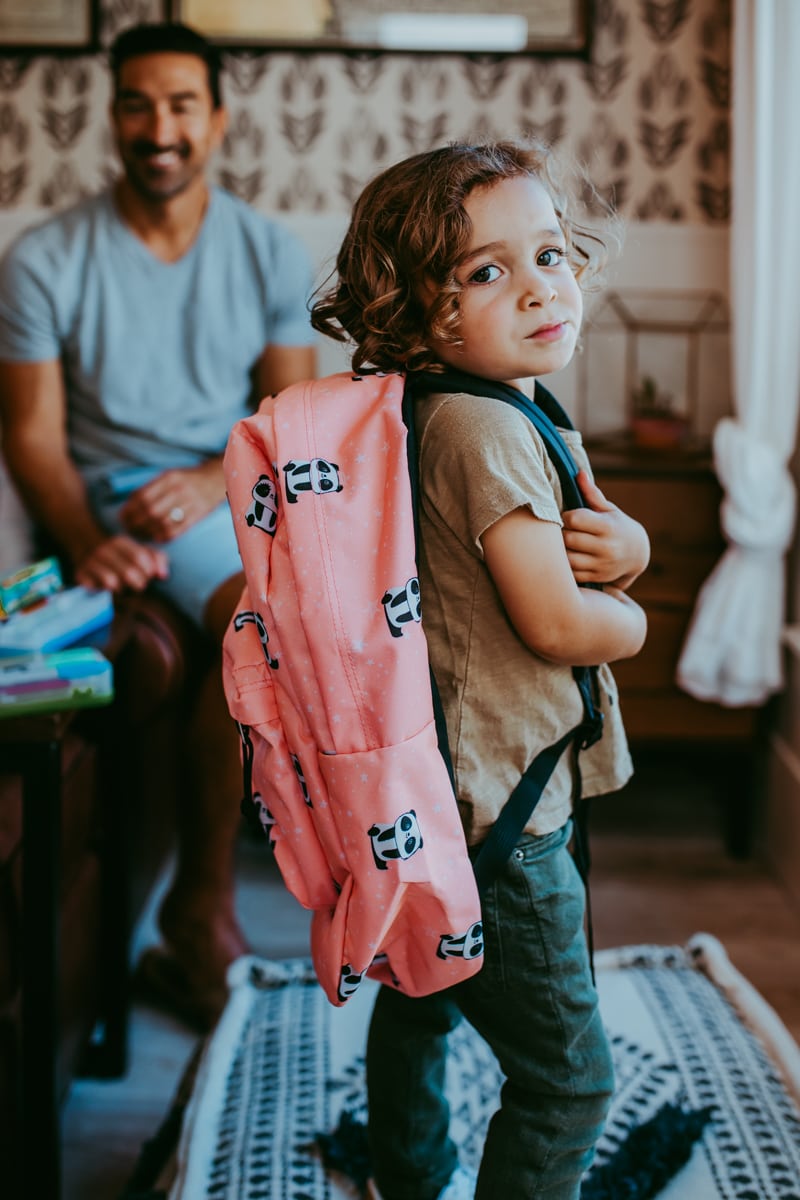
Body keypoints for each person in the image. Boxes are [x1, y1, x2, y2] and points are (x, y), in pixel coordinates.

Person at [310, 141, 649, 1200]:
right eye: (486, 271)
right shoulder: (483, 432)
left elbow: (560, 551)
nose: (540, 284)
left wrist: (624, 548)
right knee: (568, 1086)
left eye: (549, 253)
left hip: (442, 795)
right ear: (422, 310)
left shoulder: (442, 408)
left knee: (423, 988)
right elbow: (554, 622)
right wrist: (631, 620)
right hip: (504, 815)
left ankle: (408, 1176)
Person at [0, 22, 317, 1030]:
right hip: (114, 510)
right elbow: (34, 437)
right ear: (112, 117)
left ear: (215, 120)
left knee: (309, 609)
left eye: (180, 103)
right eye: (137, 103)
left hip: (222, 493)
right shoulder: (44, 258)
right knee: (252, 623)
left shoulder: (268, 250)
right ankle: (202, 913)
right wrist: (80, 534)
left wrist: (205, 477)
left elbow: (282, 427)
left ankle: (317, 888)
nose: (158, 126)